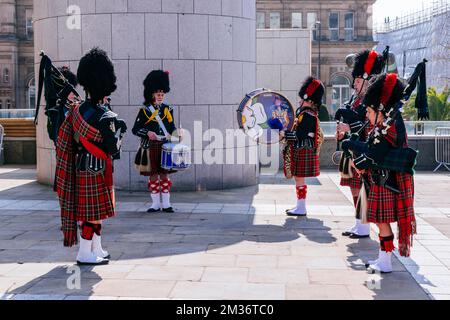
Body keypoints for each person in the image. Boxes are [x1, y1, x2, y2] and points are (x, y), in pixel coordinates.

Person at [55, 47, 127, 265]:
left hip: (81, 165)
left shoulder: (76, 110)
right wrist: (119, 132)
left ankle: (97, 247)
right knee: (93, 213)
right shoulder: (105, 116)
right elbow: (114, 150)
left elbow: (64, 141)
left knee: (95, 211)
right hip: (98, 167)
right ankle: (84, 253)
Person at [342, 73, 416, 273]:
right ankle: (384, 259)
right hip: (384, 179)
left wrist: (355, 150)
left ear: (379, 109)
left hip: (386, 181)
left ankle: (385, 262)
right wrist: (355, 145)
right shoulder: (386, 124)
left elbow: (375, 153)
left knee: (381, 221)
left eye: (368, 110)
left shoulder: (388, 127)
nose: (366, 114)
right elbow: (371, 148)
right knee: (379, 221)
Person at [335, 49, 384, 238]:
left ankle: (363, 226)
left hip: (363, 148)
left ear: (367, 79)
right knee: (354, 188)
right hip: (352, 149)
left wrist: (349, 128)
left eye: (357, 81)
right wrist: (342, 131)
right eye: (354, 81)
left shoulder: (371, 100)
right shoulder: (355, 99)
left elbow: (367, 126)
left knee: (362, 187)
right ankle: (358, 222)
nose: (354, 85)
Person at [132, 70, 180, 213]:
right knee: (153, 175)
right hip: (150, 146)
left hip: (165, 145)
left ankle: (166, 203)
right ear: (152, 94)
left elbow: (172, 128)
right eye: (158, 94)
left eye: (162, 94)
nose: (160, 96)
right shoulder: (145, 110)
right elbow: (135, 129)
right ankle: (155, 204)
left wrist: (177, 134)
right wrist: (147, 133)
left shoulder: (168, 109)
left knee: (164, 174)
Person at [283, 77, 325, 216]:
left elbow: (299, 135)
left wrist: (284, 133)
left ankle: (301, 207)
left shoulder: (307, 115)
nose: (300, 101)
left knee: (299, 178)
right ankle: (300, 206)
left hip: (302, 148)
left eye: (303, 99)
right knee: (298, 178)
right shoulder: (306, 114)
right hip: (302, 148)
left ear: (310, 100)